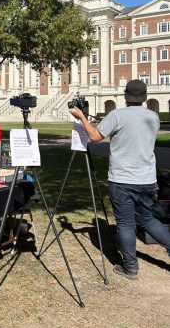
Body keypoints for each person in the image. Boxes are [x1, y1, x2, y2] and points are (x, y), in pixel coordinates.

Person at [69, 79, 170, 279]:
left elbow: (95, 137)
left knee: (125, 223)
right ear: (144, 97)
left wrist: (81, 116)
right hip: (147, 178)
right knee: (147, 219)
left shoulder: (117, 115)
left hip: (123, 178)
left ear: (125, 96)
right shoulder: (153, 116)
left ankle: (130, 267)